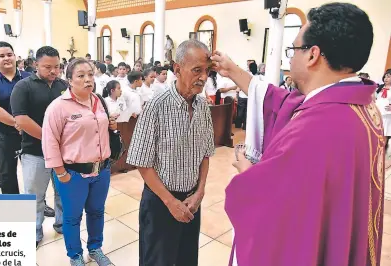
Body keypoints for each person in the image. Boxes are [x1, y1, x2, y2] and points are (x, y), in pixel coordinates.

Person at [211, 2, 384, 265]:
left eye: (294, 49)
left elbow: (272, 202)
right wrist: (233, 71)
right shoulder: (359, 105)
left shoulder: (316, 128)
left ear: (313, 55)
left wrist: (246, 170)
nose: (290, 58)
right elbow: (281, 102)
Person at [127, 39, 215, 266]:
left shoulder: (202, 106)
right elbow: (142, 163)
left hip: (191, 200)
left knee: (187, 259)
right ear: (177, 69)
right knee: (158, 260)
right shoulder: (157, 106)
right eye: (197, 70)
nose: (204, 77)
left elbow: (205, 153)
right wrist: (170, 202)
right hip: (160, 202)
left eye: (207, 71)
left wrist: (200, 192)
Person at [42, 58, 117, 266]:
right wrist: (61, 173)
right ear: (69, 80)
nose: (87, 80)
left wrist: (111, 125)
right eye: (81, 76)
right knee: (73, 217)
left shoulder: (99, 101)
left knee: (96, 211)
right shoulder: (58, 107)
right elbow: (50, 143)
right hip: (73, 174)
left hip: (101, 170)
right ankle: (75, 255)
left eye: (90, 75)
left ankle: (95, 248)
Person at [10, 46, 64, 247]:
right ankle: (34, 231)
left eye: (57, 67)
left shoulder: (63, 85)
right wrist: (49, 139)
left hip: (62, 152)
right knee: (34, 195)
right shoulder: (24, 86)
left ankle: (62, 224)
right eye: (47, 67)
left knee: (63, 193)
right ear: (36, 65)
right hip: (35, 151)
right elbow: (22, 119)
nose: (53, 71)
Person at [0, 41, 31, 194]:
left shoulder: (28, 77)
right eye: (1, 56)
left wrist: (27, 126)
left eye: (9, 55)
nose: (6, 58)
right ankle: (12, 208)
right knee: (8, 172)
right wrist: (18, 124)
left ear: (15, 56)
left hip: (29, 133)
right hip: (4, 134)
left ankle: (38, 204)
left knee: (34, 171)